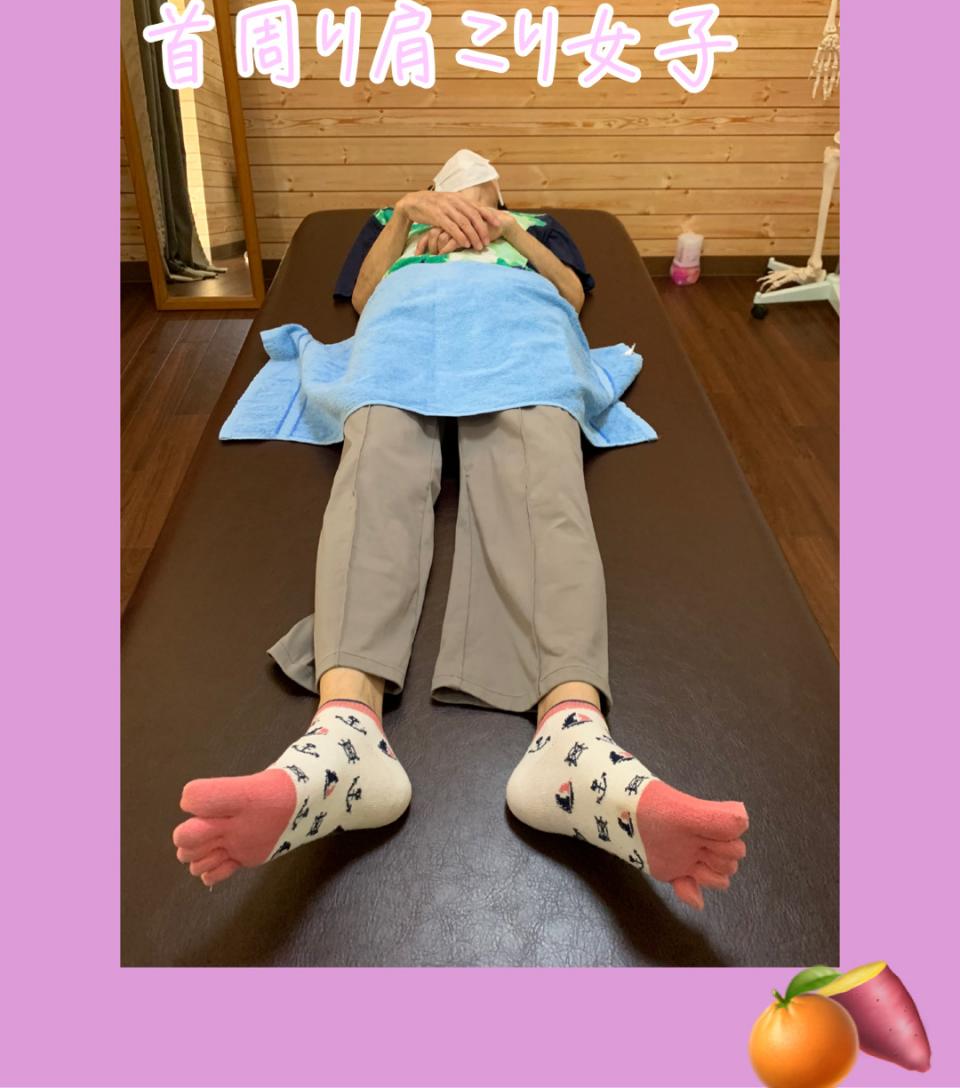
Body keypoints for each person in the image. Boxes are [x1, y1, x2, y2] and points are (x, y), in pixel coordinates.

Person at [172, 150, 748, 910]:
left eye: (483, 192)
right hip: (406, 332)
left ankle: (573, 743)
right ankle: (344, 739)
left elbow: (572, 296)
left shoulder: (534, 225)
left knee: (542, 476)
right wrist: (408, 214)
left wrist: (510, 230)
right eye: (451, 190)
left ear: (502, 193)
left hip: (519, 335)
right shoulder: (397, 221)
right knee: (376, 460)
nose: (466, 193)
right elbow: (365, 297)